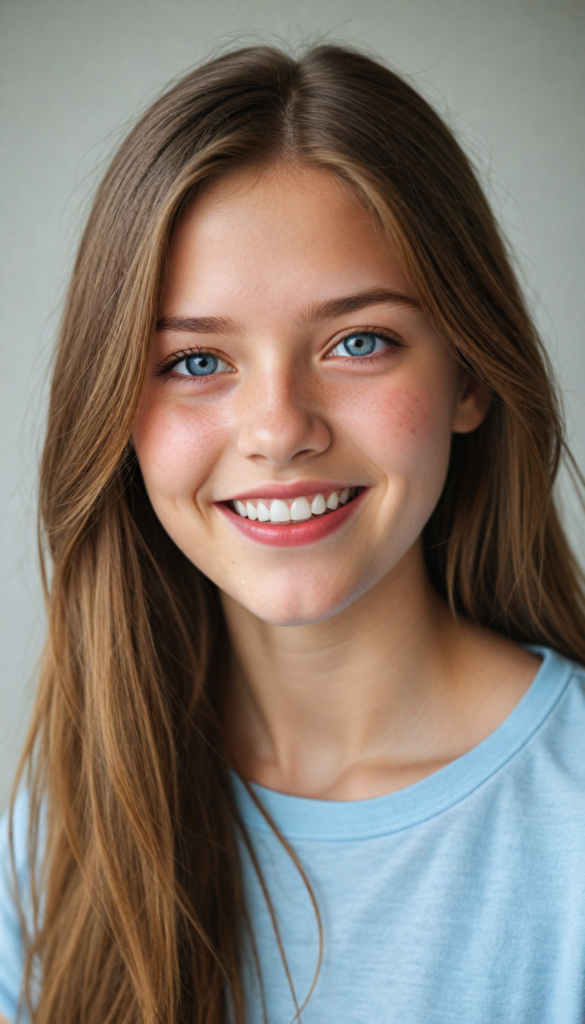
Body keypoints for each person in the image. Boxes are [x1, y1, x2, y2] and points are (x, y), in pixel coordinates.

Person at [1, 42, 585, 1024]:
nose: (279, 428)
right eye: (194, 361)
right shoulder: (62, 822)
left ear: (472, 376)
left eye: (359, 341)